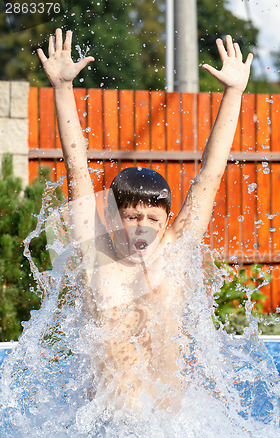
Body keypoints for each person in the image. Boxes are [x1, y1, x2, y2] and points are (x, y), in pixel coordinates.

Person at [37, 28, 253, 414]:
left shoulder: (174, 247)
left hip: (169, 433)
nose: (143, 226)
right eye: (132, 215)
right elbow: (77, 170)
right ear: (111, 216)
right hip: (107, 432)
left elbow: (210, 176)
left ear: (167, 221)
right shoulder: (97, 251)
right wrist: (61, 89)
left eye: (154, 218)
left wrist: (233, 93)